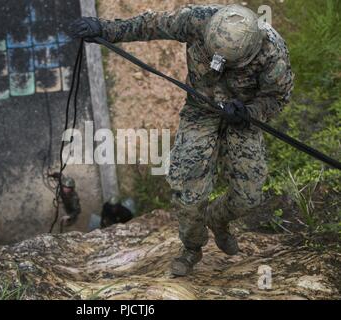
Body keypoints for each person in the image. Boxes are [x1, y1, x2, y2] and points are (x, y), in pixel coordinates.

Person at [70, 4, 294, 276]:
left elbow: (277, 97)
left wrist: (250, 112)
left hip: (242, 117)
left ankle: (217, 219)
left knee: (249, 197)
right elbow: (150, 25)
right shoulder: (197, 20)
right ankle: (192, 248)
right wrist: (104, 29)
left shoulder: (273, 53)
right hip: (201, 111)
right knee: (187, 190)